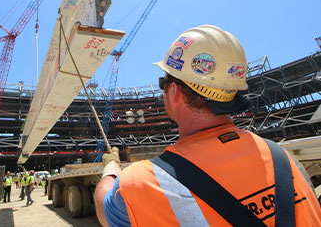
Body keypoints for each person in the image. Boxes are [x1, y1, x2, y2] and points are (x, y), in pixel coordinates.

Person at [94, 25, 321, 226]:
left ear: (174, 92)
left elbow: (105, 209)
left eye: (164, 82)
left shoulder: (143, 183)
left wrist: (111, 170)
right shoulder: (286, 162)